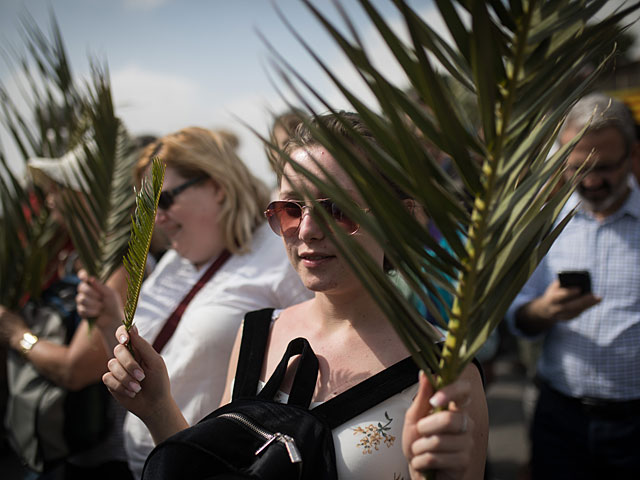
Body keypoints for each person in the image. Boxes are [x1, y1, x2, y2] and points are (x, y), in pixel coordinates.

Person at [101, 113, 488, 479]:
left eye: (337, 209)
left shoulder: (445, 373)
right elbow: (216, 468)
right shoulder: (257, 332)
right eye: (290, 209)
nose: (306, 230)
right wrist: (157, 407)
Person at [75, 126, 311, 479]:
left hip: (210, 469)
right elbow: (159, 361)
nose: (156, 218)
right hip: (146, 465)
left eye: (164, 200)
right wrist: (112, 320)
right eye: (147, 206)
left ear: (216, 186)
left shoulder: (280, 257)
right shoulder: (175, 262)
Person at [507, 92, 640, 480]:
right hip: (559, 420)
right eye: (580, 168)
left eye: (606, 167)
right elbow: (519, 314)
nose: (594, 181)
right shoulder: (546, 227)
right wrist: (541, 312)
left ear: (631, 156)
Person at [0, 145, 133, 479]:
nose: (49, 199)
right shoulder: (75, 261)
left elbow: (76, 370)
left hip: (95, 461)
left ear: (89, 198)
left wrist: (18, 336)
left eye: (59, 188)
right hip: (61, 450)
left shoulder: (121, 270)